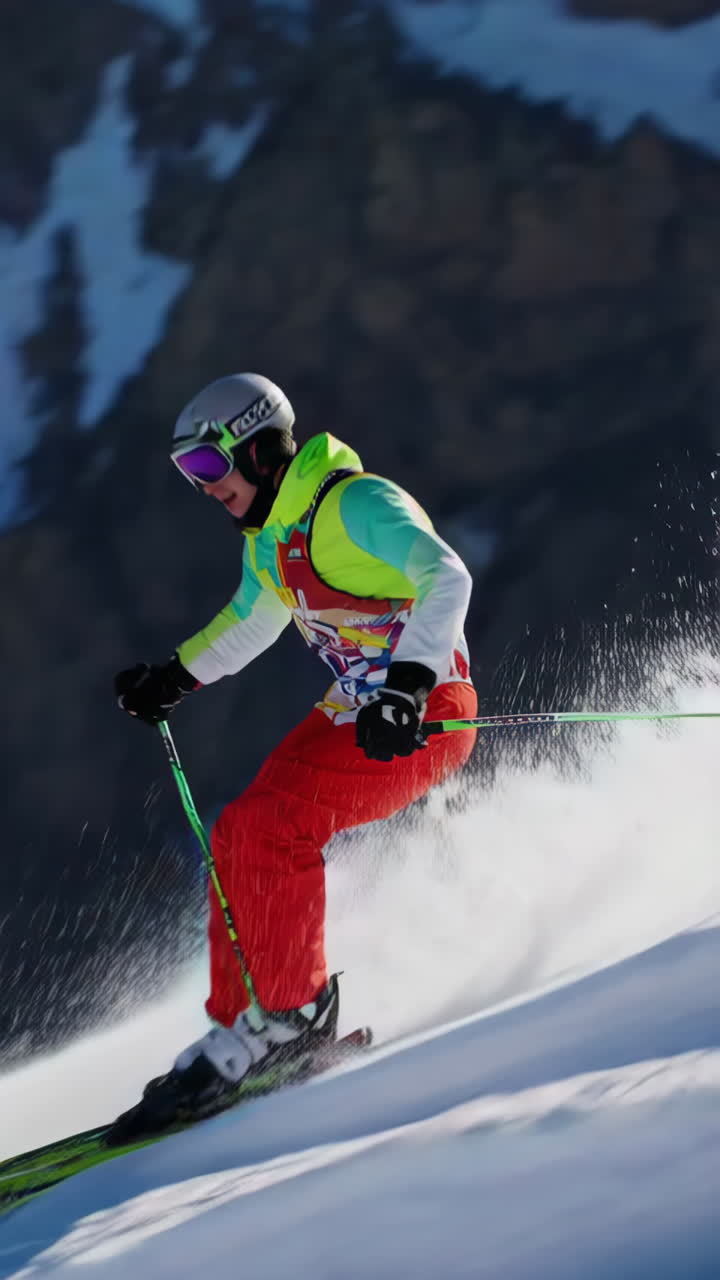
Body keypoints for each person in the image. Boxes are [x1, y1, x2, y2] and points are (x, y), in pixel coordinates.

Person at [113, 372, 477, 1130]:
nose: (204, 488)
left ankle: (294, 1018)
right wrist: (174, 678)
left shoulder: (356, 506)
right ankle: (246, 1021)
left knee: (269, 829)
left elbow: (445, 575)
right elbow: (252, 620)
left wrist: (406, 688)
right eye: (190, 476)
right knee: (238, 831)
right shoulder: (275, 537)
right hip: (356, 709)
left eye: (209, 467)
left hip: (423, 713)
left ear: (260, 448)